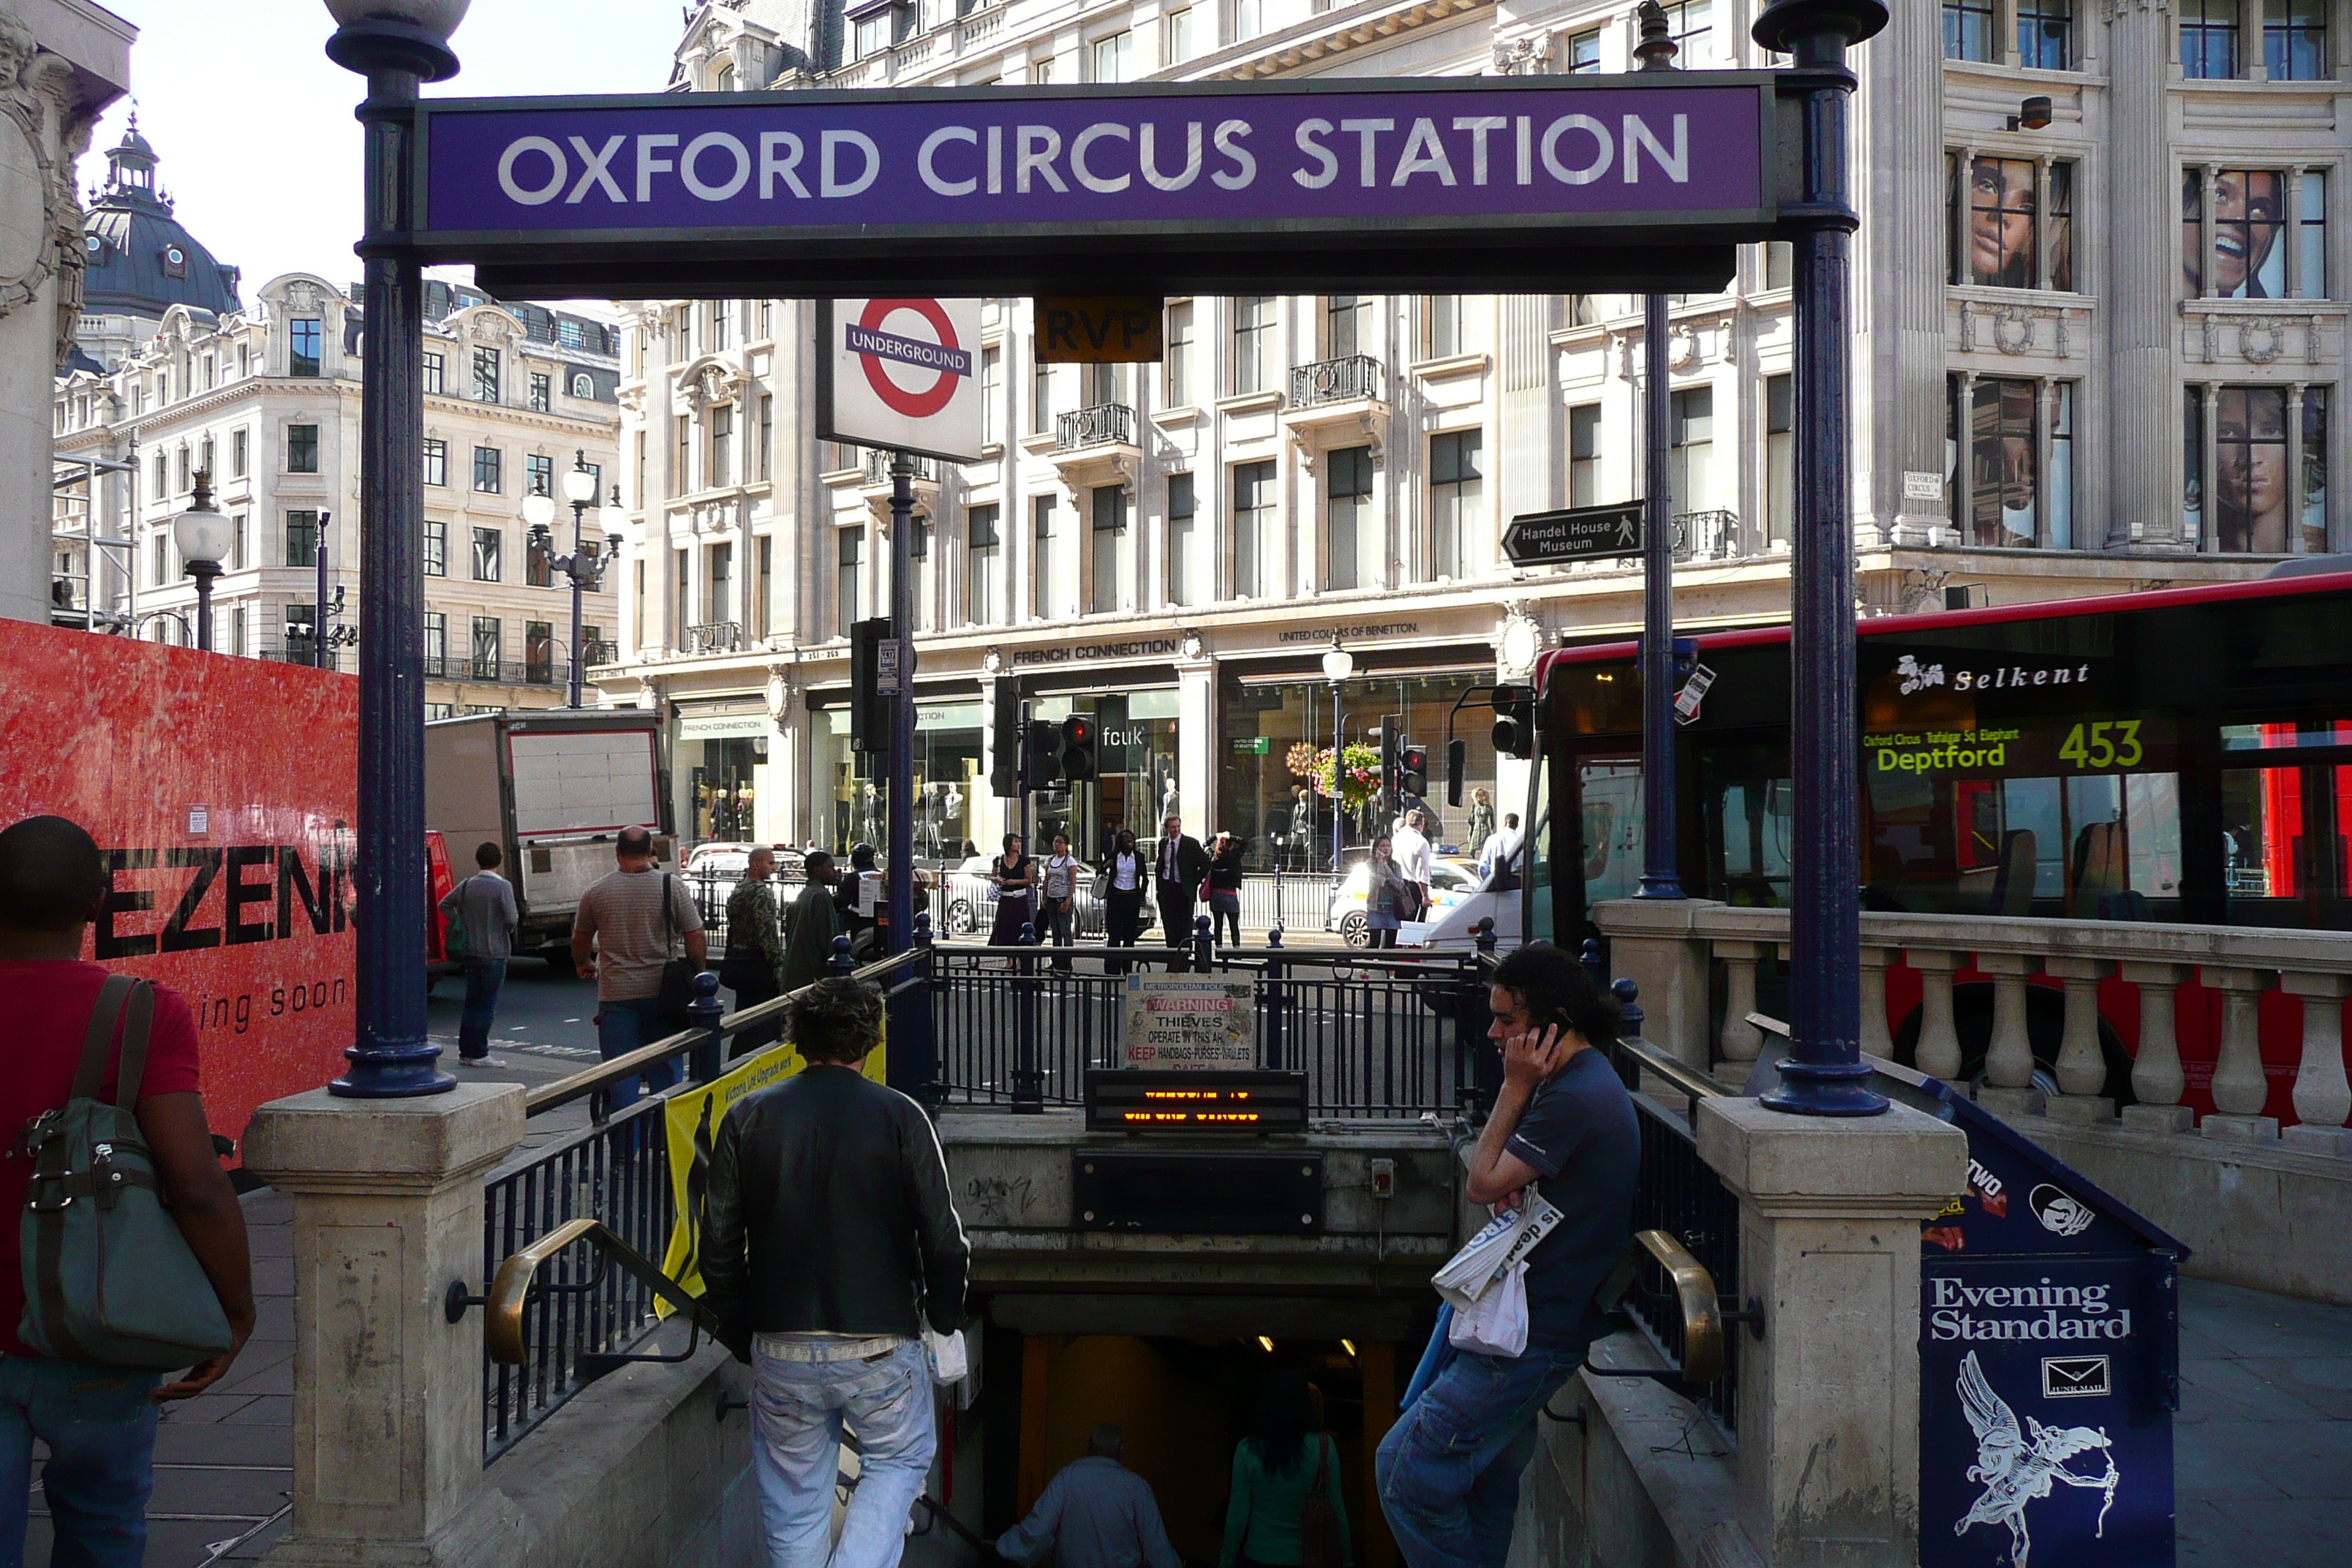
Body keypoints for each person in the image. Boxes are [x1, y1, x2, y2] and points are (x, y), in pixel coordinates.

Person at [0, 815, 257, 1567]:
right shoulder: (141, 1012)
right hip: (97, 1325)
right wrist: (234, 1309)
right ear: (97, 902)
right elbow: (194, 1180)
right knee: (104, 1527)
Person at [1377, 945, 1639, 1568]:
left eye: (1507, 1021)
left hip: (1528, 1335)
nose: (1492, 1032)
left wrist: (1514, 1085)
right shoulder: (1582, 1080)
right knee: (1490, 1485)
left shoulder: (1571, 1096)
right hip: (1526, 1321)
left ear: (1551, 1025)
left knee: (1404, 1475)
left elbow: (1483, 1180)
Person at [701, 976, 970, 1568]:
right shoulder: (902, 1116)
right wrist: (943, 1320)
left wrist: (741, 1330)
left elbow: (718, 1244)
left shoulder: (747, 1116)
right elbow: (945, 1243)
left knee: (794, 1500)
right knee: (899, 1461)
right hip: (879, 1343)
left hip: (777, 1340)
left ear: (796, 1039)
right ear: (871, 1040)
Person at [572, 826, 707, 1112]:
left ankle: (624, 1150)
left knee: (621, 1073)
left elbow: (580, 937)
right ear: (649, 852)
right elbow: (695, 935)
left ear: (617, 852)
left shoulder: (596, 892)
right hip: (664, 993)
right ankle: (663, 1142)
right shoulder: (671, 886)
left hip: (616, 993)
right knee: (666, 1069)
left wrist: (583, 963)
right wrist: (698, 970)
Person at [997, 1422, 1180, 1568]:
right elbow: (1156, 1546)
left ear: (1090, 1444)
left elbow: (1039, 1528)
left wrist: (1002, 1546)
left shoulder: (1067, 1478)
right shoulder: (1137, 1488)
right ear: (1121, 1448)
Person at [1222, 1372, 1352, 1568]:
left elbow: (1237, 1517)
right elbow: (1338, 1511)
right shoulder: (1324, 1447)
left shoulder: (1247, 1449)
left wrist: (1225, 1561)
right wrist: (1348, 1561)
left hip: (1258, 1555)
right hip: (1308, 1558)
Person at [439, 839, 518, 1068]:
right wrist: (504, 929)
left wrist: (460, 921)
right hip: (494, 953)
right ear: (499, 862)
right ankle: (480, 1053)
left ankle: (467, 1050)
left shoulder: (466, 885)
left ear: (478, 861)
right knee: (487, 1005)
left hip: (471, 951)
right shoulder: (503, 887)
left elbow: (444, 904)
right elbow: (512, 918)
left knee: (472, 1003)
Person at [722, 848, 786, 1058]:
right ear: (757, 864)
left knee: (744, 1018)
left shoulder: (738, 890)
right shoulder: (762, 893)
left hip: (739, 962)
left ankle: (736, 1059)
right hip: (759, 964)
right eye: (770, 863)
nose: (774, 868)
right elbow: (767, 933)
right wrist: (777, 965)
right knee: (763, 1021)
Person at [1151, 814, 1210, 971]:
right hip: (1167, 890)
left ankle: (1183, 963)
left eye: (1178, 827)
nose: (1176, 830)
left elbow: (1206, 864)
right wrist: (1160, 886)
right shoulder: (1164, 843)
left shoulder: (1190, 843)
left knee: (1184, 929)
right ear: (1167, 829)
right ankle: (1172, 963)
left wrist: (1194, 881)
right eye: (1173, 827)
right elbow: (1161, 865)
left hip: (1183, 890)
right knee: (1169, 928)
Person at [780, 850, 843, 994]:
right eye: (830, 867)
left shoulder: (804, 894)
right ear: (817, 870)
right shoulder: (821, 896)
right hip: (813, 973)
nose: (835, 872)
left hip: (798, 971)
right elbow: (827, 938)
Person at [1102, 828, 1147, 973]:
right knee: (1114, 936)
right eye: (1126, 838)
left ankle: (1127, 970)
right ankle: (1112, 970)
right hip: (1116, 898)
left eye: (1131, 838)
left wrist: (1141, 896)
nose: (1129, 841)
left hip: (1132, 898)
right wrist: (1105, 866)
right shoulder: (1114, 856)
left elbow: (1145, 878)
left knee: (1129, 936)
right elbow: (1100, 872)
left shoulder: (1139, 857)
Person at [1039, 831, 1082, 962]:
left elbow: (1073, 882)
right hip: (1051, 899)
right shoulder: (1050, 860)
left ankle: (1067, 961)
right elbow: (1047, 879)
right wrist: (1044, 897)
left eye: (1060, 842)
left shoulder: (1069, 861)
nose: (1057, 845)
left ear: (1066, 845)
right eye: (1055, 842)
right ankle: (1056, 961)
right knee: (1055, 933)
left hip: (1063, 899)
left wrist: (1068, 901)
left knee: (1065, 932)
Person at [1363, 837, 1407, 951]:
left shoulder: (1395, 865)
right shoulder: (1370, 864)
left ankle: (1389, 968)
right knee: (1374, 943)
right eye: (1382, 846)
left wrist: (1386, 867)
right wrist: (1380, 864)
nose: (1386, 849)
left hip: (1393, 909)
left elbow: (1399, 884)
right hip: (1376, 908)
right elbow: (1380, 881)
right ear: (1376, 848)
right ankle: (1366, 968)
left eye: (1388, 846)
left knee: (1390, 945)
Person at [1206, 831, 1245, 948]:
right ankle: (1236, 950)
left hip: (1215, 895)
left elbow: (1205, 845)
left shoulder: (1213, 857)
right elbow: (1244, 843)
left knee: (1218, 925)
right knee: (1234, 925)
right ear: (1230, 845)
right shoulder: (1234, 857)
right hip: (1230, 894)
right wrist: (1231, 836)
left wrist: (1216, 836)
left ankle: (1219, 948)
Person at [1390, 810, 1433, 919]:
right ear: (1421, 824)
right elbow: (1422, 873)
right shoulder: (1421, 842)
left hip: (1396, 886)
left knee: (1397, 926)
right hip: (1412, 890)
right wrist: (1425, 896)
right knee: (1412, 927)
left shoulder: (1396, 838)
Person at [1480, 813, 1523, 892]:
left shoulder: (1492, 839)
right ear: (1516, 825)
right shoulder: (1520, 842)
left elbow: (1483, 866)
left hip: (1494, 888)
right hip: (1517, 889)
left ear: (1505, 823)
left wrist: (1489, 884)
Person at [1466, 788, 1496, 864]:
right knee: (1472, 849)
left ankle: (1484, 862)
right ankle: (1472, 861)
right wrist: (1469, 834)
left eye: (1481, 795)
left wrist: (1494, 829)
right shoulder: (1474, 807)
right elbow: (1471, 822)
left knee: (1485, 847)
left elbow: (1492, 820)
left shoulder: (1488, 807)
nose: (1479, 797)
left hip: (1485, 828)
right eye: (1478, 795)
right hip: (1476, 828)